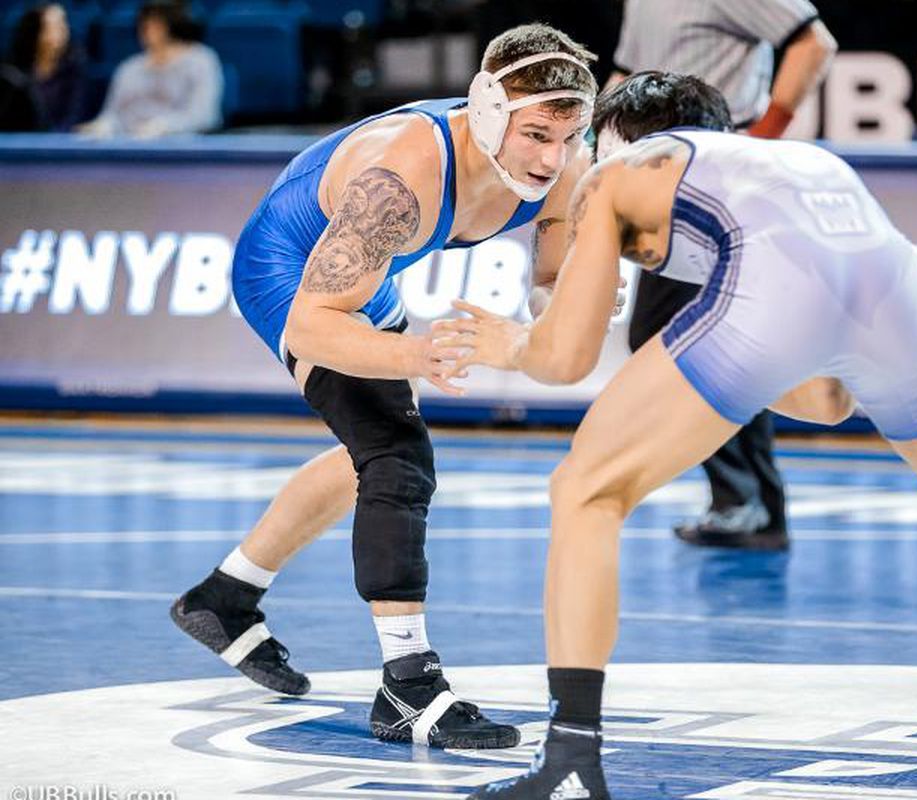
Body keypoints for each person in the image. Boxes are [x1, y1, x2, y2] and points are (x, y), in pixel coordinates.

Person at [435, 72, 917, 799]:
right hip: (889, 280)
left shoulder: (621, 172)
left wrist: (510, 344)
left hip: (784, 283)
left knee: (586, 489)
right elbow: (826, 398)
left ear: (618, 140)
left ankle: (570, 756)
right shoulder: (784, 164)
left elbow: (565, 359)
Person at [169, 23, 599, 749]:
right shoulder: (401, 175)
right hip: (291, 274)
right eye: (535, 135)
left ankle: (227, 594)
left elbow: (548, 281)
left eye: (567, 136)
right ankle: (408, 686)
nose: (552, 158)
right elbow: (310, 324)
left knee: (365, 459)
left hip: (364, 275)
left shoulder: (565, 158)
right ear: (492, 111)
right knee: (397, 454)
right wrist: (418, 355)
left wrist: (570, 303)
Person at [608, 0, 838, 549]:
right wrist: (593, 143)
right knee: (689, 336)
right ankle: (748, 498)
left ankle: (747, 499)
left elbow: (815, 43)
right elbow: (627, 76)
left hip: (716, 175)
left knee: (692, 337)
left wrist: (762, 135)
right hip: (664, 176)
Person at [77, 0, 221, 138]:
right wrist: (103, 125)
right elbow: (112, 114)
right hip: (128, 145)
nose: (148, 30)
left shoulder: (202, 60)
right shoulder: (129, 67)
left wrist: (164, 126)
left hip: (178, 148)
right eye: (144, 24)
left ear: (174, 24)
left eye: (157, 24)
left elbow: (204, 115)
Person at [7, 2, 87, 131]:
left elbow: (72, 116)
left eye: (64, 24)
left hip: (57, 143)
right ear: (37, 31)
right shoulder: (13, 71)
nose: (63, 30)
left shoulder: (74, 69)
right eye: (55, 26)